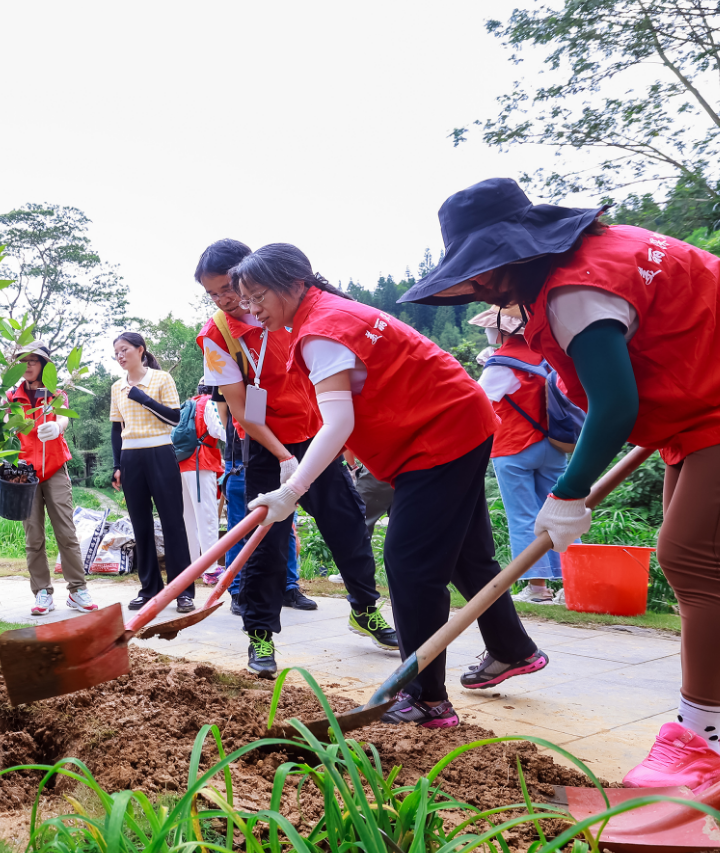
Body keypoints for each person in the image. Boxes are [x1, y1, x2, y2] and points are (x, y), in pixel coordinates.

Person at [402, 177, 720, 781]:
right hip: (698, 414)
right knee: (698, 565)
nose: (480, 290)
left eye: (481, 275)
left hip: (712, 414)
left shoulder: (575, 290)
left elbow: (614, 404)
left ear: (504, 262)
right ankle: (702, 724)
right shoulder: (604, 254)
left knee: (692, 561)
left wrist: (569, 492)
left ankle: (704, 744)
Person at [234, 242, 547, 727]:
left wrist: (290, 491)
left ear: (296, 285)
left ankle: (426, 698)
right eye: (243, 299)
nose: (250, 308)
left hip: (441, 434)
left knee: (409, 563)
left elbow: (336, 421)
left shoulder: (321, 330)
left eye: (257, 295)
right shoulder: (326, 315)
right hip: (452, 422)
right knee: (464, 554)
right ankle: (512, 648)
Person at [195, 239, 393, 679]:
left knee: (349, 526)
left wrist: (347, 443)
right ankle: (260, 635)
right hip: (268, 447)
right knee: (267, 543)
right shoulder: (218, 336)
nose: (226, 300)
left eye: (230, 288)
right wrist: (285, 458)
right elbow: (243, 412)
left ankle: (365, 609)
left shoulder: (293, 309)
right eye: (214, 294)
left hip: (321, 437)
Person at [469, 307, 568, 604]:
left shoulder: (499, 362)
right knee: (562, 516)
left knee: (524, 517)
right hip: (554, 445)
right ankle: (573, 586)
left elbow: (477, 404)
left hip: (514, 448)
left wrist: (486, 368)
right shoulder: (548, 358)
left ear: (501, 331)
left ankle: (538, 587)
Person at [6, 341, 99, 615]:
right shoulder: (12, 397)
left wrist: (58, 425)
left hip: (55, 468)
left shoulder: (57, 394)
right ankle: (42, 593)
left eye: (33, 360)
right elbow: (1, 426)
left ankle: (77, 590)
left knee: (66, 532)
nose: (28, 366)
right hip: (24, 473)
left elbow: (65, 418)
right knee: (33, 536)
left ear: (45, 364)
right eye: (23, 361)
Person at [110, 333, 196, 613]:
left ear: (140, 350)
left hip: (160, 452)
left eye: (125, 350)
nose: (121, 356)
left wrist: (143, 398)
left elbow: (174, 418)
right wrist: (117, 466)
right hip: (130, 457)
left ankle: (182, 591)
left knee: (172, 521)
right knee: (140, 524)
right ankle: (149, 588)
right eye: (117, 353)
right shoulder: (116, 387)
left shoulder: (161, 379)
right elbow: (115, 429)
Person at [179, 380, 227, 583]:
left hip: (182, 465)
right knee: (207, 517)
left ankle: (193, 567)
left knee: (188, 519)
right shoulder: (210, 402)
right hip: (201, 463)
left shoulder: (188, 404)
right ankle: (211, 570)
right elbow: (218, 430)